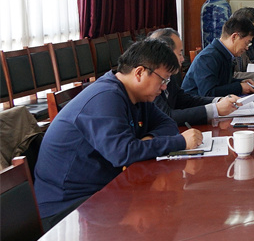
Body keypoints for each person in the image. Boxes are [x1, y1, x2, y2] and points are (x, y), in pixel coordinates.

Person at [34, 39, 203, 230]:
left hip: (104, 190)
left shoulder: (138, 96)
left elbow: (168, 124)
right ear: (139, 73)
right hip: (67, 206)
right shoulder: (105, 97)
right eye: (163, 80)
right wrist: (180, 143)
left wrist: (148, 140)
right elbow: (123, 154)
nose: (164, 87)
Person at [149, 28, 240, 125]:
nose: (182, 59)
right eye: (180, 54)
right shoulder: (150, 79)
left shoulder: (169, 75)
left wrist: (218, 101)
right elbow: (167, 116)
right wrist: (215, 109)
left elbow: (184, 100)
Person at [182, 17, 254, 97]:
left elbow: (222, 82)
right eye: (247, 43)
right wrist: (239, 87)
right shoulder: (208, 57)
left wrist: (241, 81)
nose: (247, 48)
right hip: (197, 107)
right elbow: (208, 93)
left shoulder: (224, 53)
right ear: (234, 37)